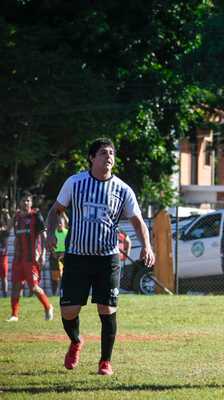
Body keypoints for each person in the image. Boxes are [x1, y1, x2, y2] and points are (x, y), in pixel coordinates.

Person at [46, 138, 155, 376]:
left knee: (107, 309)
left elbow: (137, 220)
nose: (109, 158)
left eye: (112, 154)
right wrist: (50, 233)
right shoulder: (75, 183)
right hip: (77, 257)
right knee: (69, 311)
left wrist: (147, 246)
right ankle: (75, 340)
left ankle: (105, 361)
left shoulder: (122, 189)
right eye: (104, 153)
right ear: (92, 158)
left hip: (107, 259)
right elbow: (56, 211)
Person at [6, 192, 53, 322]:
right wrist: (11, 215)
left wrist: (43, 254)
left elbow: (43, 236)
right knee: (16, 286)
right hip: (18, 259)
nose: (25, 203)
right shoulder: (17, 217)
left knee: (33, 287)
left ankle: (48, 307)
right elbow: (7, 229)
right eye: (23, 201)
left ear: (31, 203)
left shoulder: (36, 216)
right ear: (20, 202)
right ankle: (14, 315)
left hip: (31, 258)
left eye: (27, 201)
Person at [49, 214, 69, 296]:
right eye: (58, 223)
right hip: (54, 256)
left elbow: (69, 245)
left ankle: (64, 292)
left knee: (64, 276)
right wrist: (53, 253)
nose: (59, 224)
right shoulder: (53, 233)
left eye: (61, 223)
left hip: (64, 257)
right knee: (55, 277)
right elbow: (50, 244)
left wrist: (63, 253)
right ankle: (54, 294)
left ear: (64, 224)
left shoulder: (67, 232)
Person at [0, 208, 11, 297]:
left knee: (4, 277)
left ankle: (5, 295)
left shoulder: (5, 231)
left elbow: (9, 224)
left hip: (3, 256)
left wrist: (7, 214)